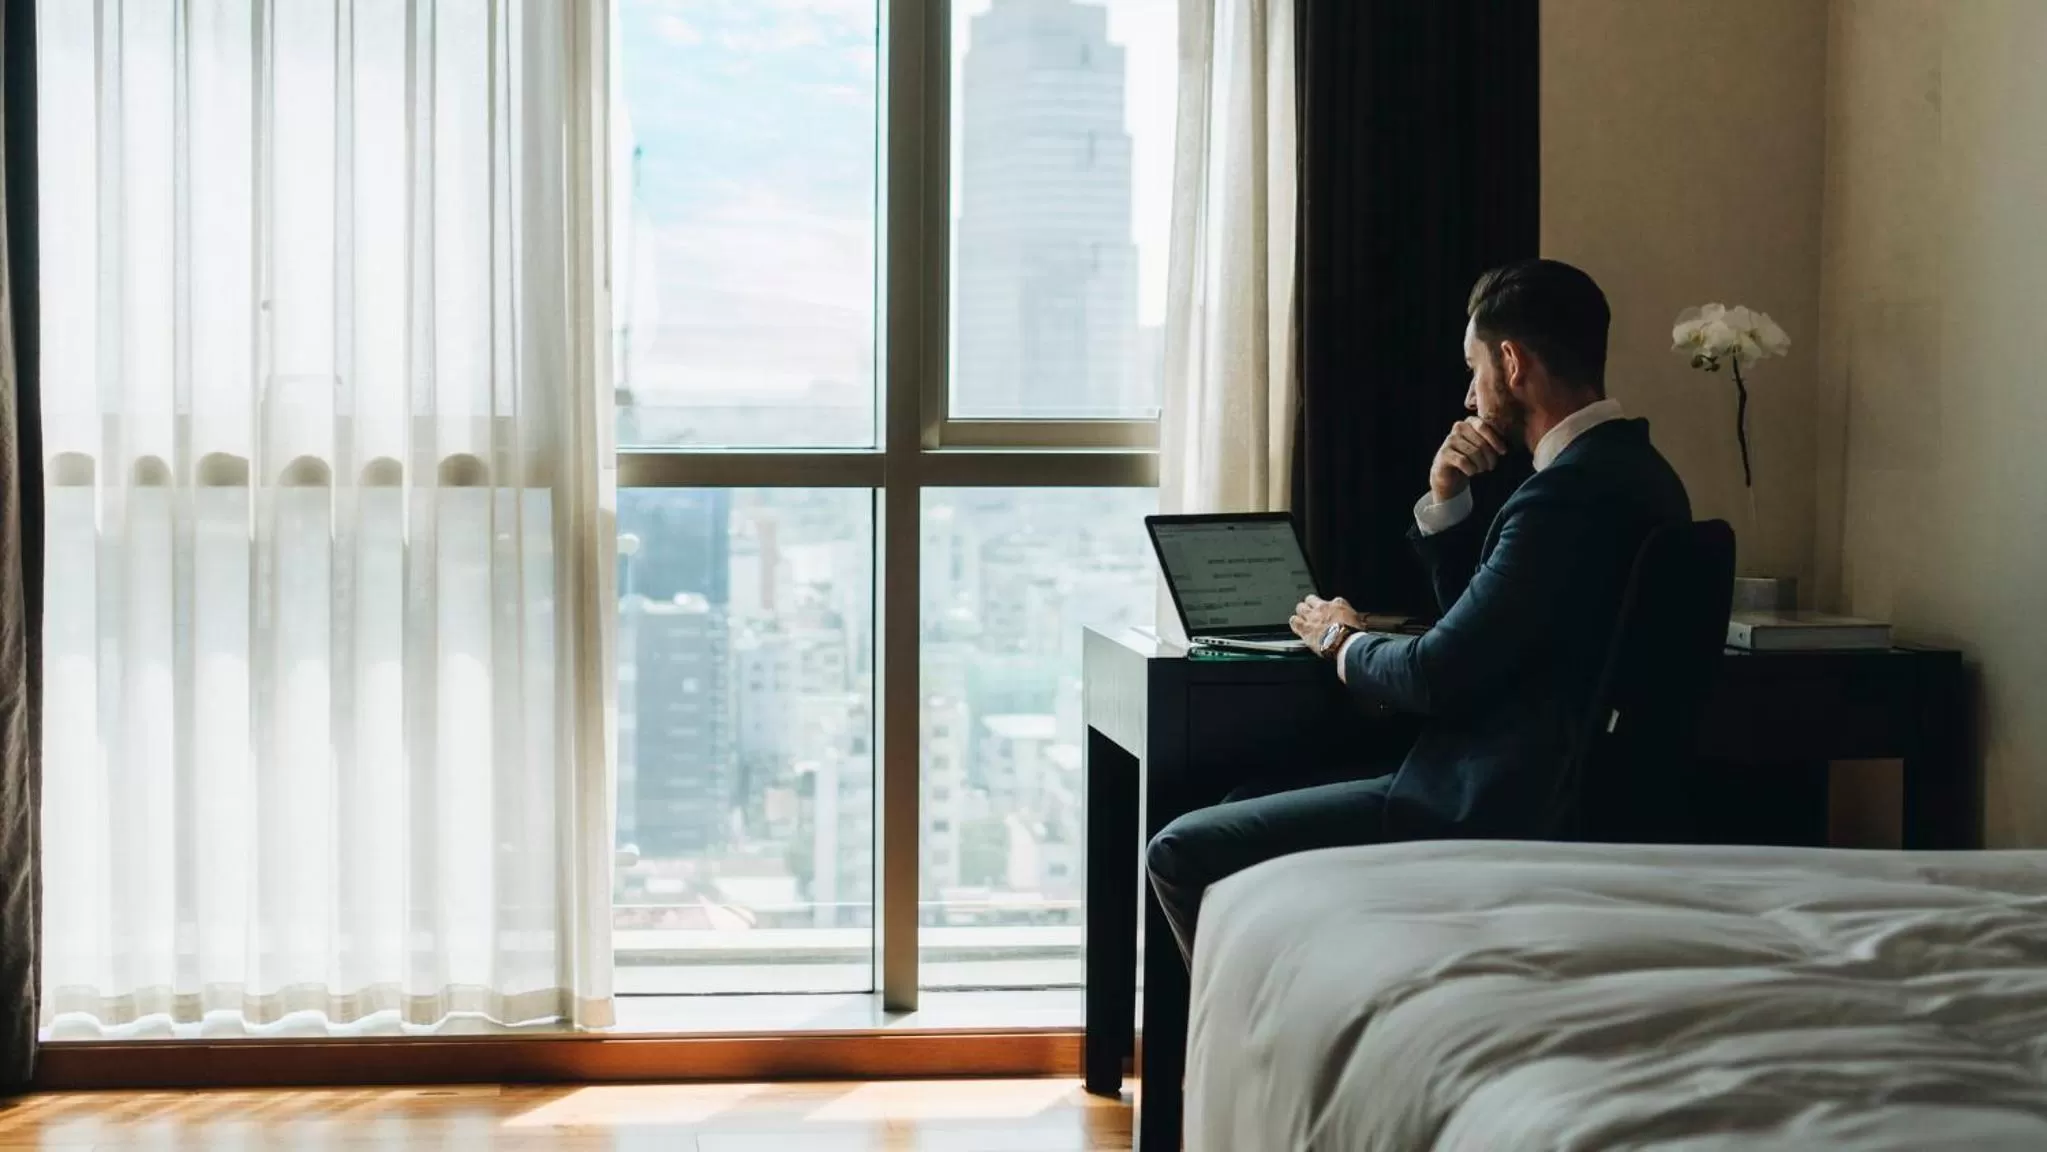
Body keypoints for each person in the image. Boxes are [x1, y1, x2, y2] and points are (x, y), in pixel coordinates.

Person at [1144, 258, 1691, 962]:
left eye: (1473, 369)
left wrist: (1338, 637)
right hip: (1555, 788)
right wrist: (1446, 499)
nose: (1468, 397)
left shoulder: (1564, 497)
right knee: (1242, 802)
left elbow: (1435, 675)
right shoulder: (1639, 474)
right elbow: (1493, 626)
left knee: (1183, 849)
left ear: (1511, 362)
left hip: (1490, 802)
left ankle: (1271, 1041)